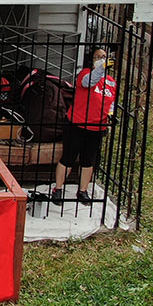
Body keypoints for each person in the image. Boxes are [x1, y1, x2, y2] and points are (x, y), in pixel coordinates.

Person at [41, 47, 118, 205]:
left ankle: (83, 191)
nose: (101, 59)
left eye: (104, 57)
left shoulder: (111, 81)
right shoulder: (85, 74)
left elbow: (111, 101)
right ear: (91, 59)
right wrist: (101, 67)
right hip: (77, 124)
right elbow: (89, 82)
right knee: (68, 157)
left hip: (97, 127)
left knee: (88, 160)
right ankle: (58, 189)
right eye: (98, 57)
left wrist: (111, 114)